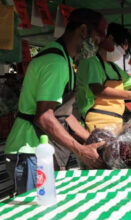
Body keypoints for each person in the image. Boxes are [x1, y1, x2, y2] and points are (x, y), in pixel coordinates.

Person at [4, 8, 109, 195]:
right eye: (97, 37)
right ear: (83, 31)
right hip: (29, 150)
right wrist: (81, 151)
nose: (98, 44)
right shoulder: (56, 62)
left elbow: (62, 113)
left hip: (41, 149)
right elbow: (44, 117)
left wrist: (93, 140)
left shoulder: (66, 60)